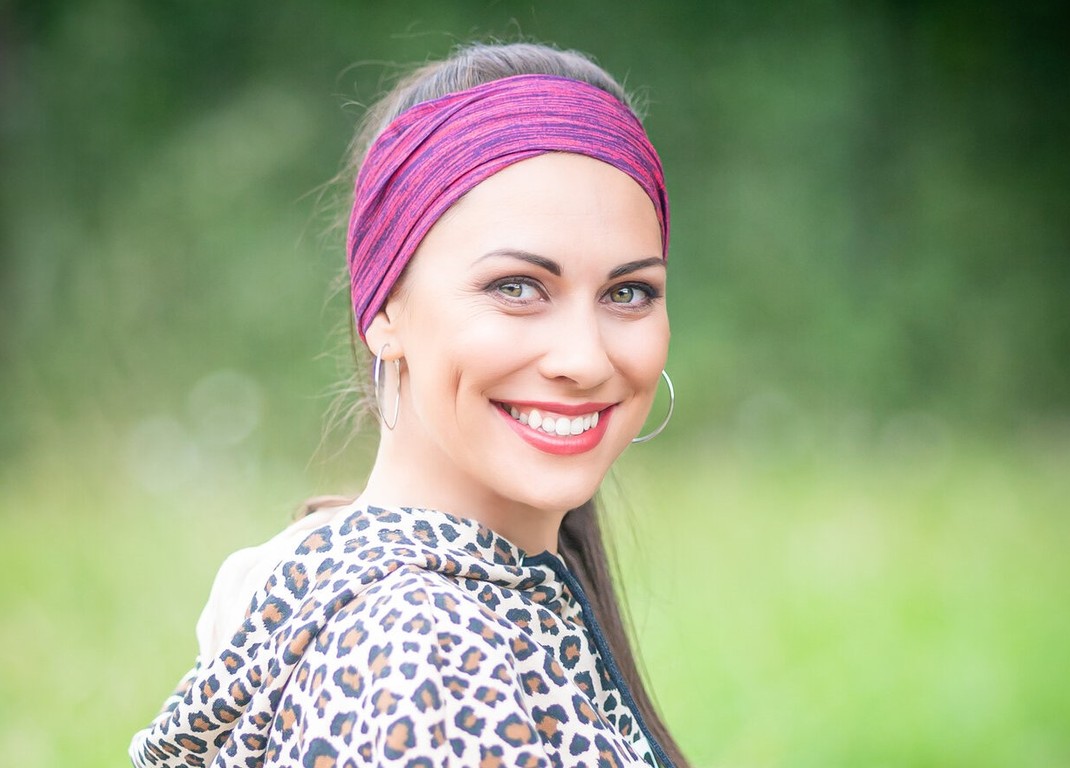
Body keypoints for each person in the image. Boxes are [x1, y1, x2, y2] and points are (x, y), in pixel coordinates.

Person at [130, 42, 686, 767]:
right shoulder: (421, 648)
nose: (584, 359)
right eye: (516, 287)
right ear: (385, 309)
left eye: (627, 292)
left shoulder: (343, 573)